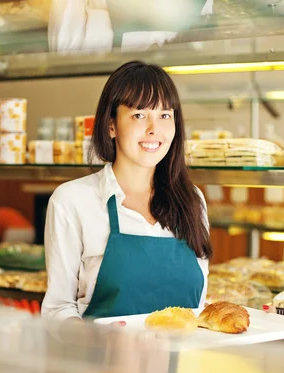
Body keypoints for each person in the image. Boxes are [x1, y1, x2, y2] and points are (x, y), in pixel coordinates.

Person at [41, 60, 212, 321]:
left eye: (165, 115)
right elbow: (57, 308)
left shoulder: (192, 200)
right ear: (111, 125)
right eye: (139, 115)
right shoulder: (72, 201)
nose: (154, 129)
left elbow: (198, 305)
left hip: (181, 361)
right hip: (103, 359)